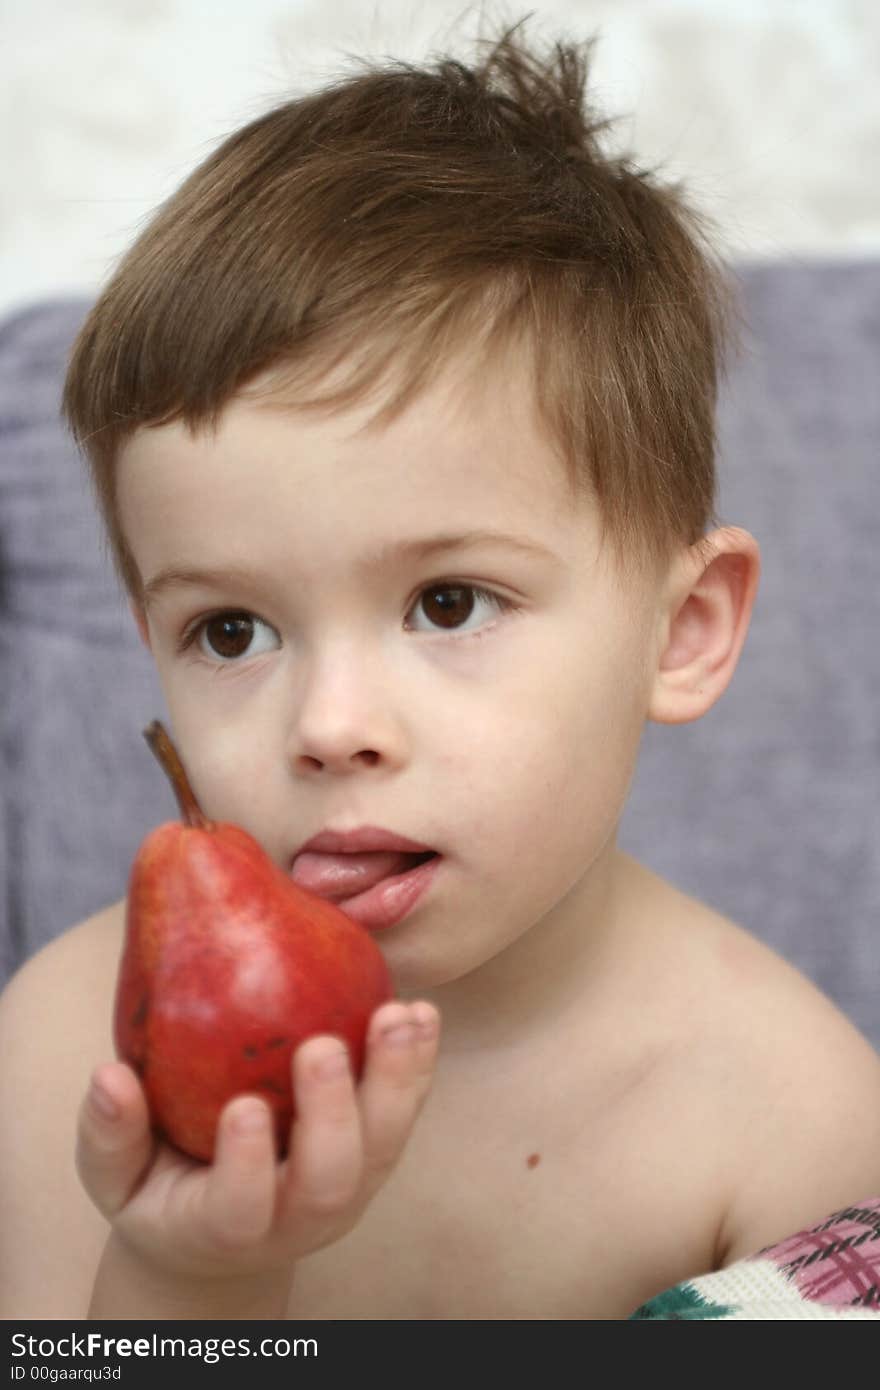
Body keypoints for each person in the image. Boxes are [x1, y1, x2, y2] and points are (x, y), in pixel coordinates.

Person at [1, 19, 878, 1322]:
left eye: (450, 600)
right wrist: (191, 1274)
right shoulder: (68, 1052)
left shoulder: (789, 1119)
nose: (330, 725)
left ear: (684, 627)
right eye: (231, 630)